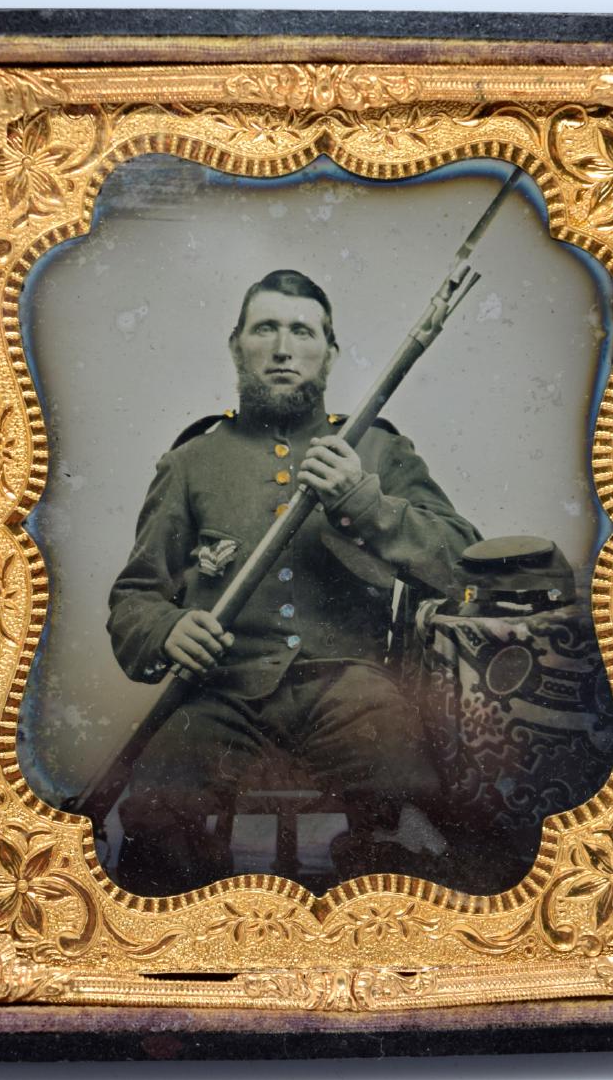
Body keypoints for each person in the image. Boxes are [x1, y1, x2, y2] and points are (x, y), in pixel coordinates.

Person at [107, 269, 481, 895]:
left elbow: (464, 568)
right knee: (154, 823)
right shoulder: (191, 462)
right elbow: (134, 597)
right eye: (266, 329)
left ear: (329, 353)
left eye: (303, 331)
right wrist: (168, 629)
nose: (284, 348)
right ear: (237, 345)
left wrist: (366, 502)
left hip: (355, 688)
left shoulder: (380, 451)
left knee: (411, 821)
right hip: (220, 693)